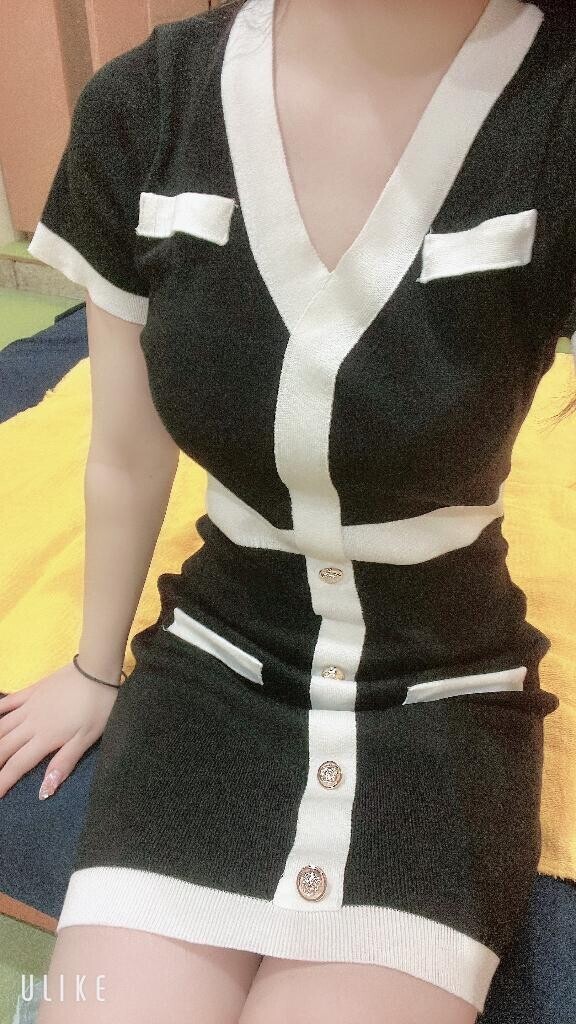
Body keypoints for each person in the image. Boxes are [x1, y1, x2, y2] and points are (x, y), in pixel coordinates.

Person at [1, 0, 575, 1020]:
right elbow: (126, 450)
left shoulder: (555, 110)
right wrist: (94, 669)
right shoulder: (146, 106)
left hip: (445, 696)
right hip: (209, 673)